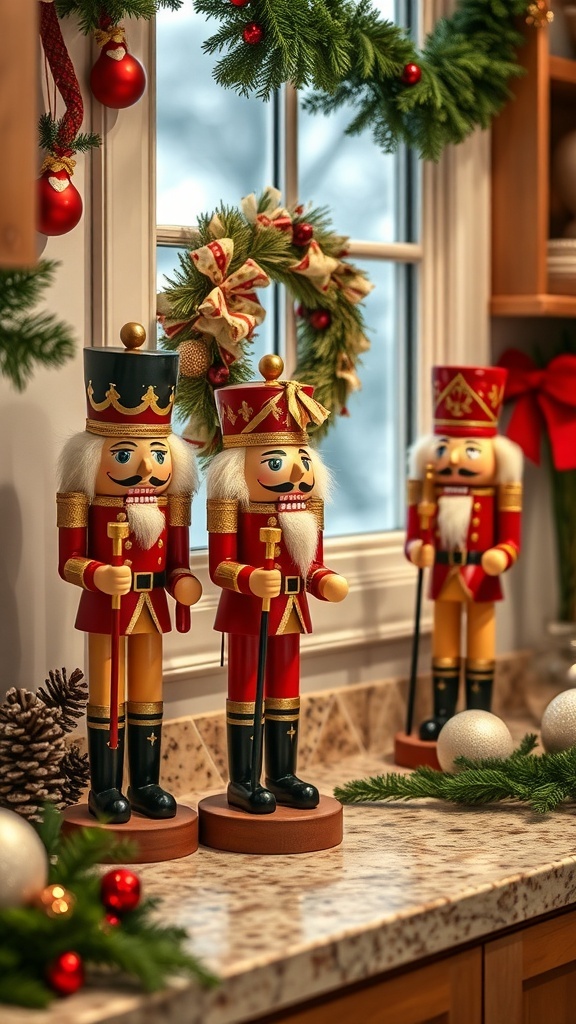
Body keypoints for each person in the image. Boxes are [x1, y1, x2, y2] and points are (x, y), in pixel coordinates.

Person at [57, 323, 202, 823]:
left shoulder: (172, 502)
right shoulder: (81, 498)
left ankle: (145, 782)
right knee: (106, 689)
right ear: (94, 458)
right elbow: (68, 561)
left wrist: (183, 582)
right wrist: (96, 574)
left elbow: (179, 560)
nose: (144, 469)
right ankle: (104, 787)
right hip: (106, 603)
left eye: (157, 455)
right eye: (124, 456)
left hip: (151, 604)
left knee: (147, 688)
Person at [206, 354, 348, 814]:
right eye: (276, 461)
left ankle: (282, 773)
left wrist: (325, 582)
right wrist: (249, 578)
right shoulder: (232, 504)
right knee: (246, 688)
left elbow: (312, 566)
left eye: (302, 460)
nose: (297, 473)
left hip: (289, 612)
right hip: (250, 613)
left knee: (286, 689)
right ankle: (243, 779)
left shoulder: (306, 512)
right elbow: (220, 566)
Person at [405, 365, 523, 741]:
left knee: (481, 645)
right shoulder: (428, 492)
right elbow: (413, 536)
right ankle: (443, 715)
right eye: (444, 448)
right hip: (443, 574)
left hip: (481, 578)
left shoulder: (500, 493)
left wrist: (501, 556)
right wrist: (417, 549)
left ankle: (479, 718)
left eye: (469, 450)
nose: (453, 459)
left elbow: (512, 540)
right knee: (444, 646)